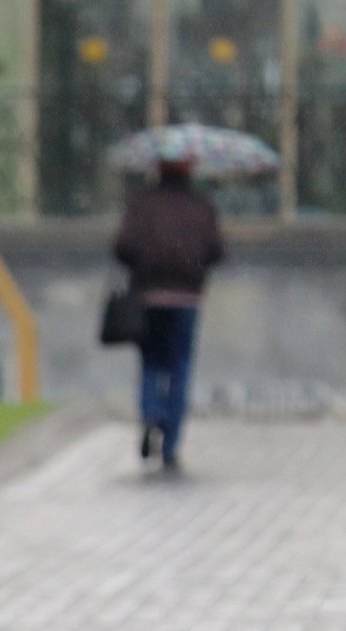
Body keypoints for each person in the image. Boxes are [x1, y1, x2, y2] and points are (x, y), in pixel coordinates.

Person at [112, 135, 224, 471]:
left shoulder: (141, 204)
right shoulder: (201, 206)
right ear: (190, 169)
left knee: (150, 361)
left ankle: (150, 415)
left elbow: (122, 247)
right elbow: (217, 251)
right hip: (187, 297)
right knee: (179, 365)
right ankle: (171, 442)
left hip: (147, 294)